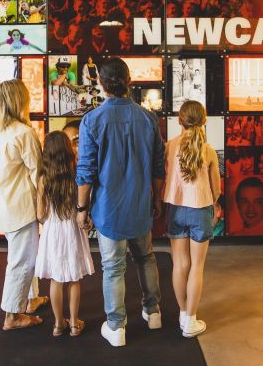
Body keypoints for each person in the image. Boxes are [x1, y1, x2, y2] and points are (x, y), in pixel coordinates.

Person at [76, 58, 165, 347]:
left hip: (108, 210)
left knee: (113, 268)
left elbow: (86, 171)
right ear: (129, 80)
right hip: (140, 205)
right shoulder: (148, 118)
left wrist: (81, 209)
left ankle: (116, 327)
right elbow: (157, 166)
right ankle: (153, 312)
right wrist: (157, 199)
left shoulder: (92, 120)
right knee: (146, 258)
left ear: (101, 82)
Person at [0, 79, 47, 331]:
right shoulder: (24, 133)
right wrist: (43, 207)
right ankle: (12, 314)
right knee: (23, 260)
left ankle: (30, 299)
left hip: (2, 204)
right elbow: (38, 174)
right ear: (20, 101)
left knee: (24, 253)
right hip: (21, 206)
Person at [162, 100, 220, 338]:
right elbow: (216, 188)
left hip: (175, 209)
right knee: (197, 266)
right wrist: (215, 205)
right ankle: (190, 320)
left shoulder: (169, 147)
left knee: (180, 265)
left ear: (179, 120)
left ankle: (183, 311)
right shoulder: (208, 150)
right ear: (204, 121)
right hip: (200, 209)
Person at [35, 131, 94, 337]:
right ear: (68, 150)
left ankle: (58, 324)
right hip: (72, 230)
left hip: (53, 232)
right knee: (74, 278)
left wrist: (48, 220)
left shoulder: (44, 179)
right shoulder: (75, 174)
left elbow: (40, 214)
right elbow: (83, 205)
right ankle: (74, 325)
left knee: (56, 280)